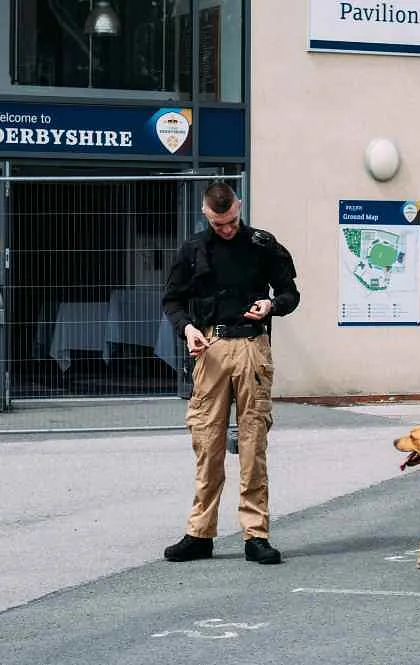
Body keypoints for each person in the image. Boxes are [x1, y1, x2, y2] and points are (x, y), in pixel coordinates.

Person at [161, 181, 300, 565]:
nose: (227, 228)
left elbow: (290, 294)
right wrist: (187, 329)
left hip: (253, 346)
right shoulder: (193, 249)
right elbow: (172, 301)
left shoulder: (261, 243)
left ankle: (255, 535)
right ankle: (200, 533)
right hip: (211, 347)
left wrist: (270, 306)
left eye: (232, 220)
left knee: (253, 442)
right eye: (219, 223)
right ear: (206, 214)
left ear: (239, 206)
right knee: (207, 442)